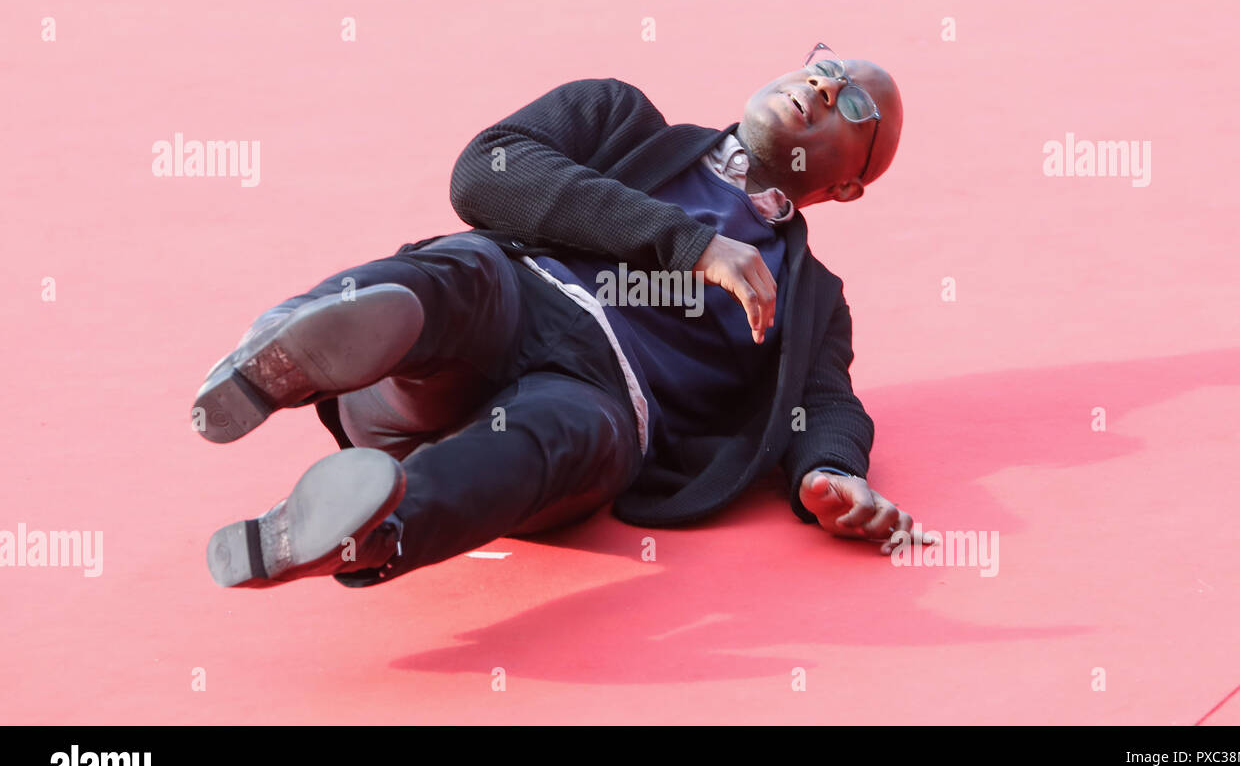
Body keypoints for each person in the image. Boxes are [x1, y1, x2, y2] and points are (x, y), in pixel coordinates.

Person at [196, 43, 929, 590]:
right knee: (466, 272)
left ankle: (365, 529)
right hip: (509, 304)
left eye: (854, 105)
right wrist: (692, 244)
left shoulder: (813, 299)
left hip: (605, 400)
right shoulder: (617, 116)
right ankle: (283, 349)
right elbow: (486, 171)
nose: (823, 88)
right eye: (822, 68)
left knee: (572, 437)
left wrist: (832, 474)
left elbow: (827, 401)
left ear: (848, 186)